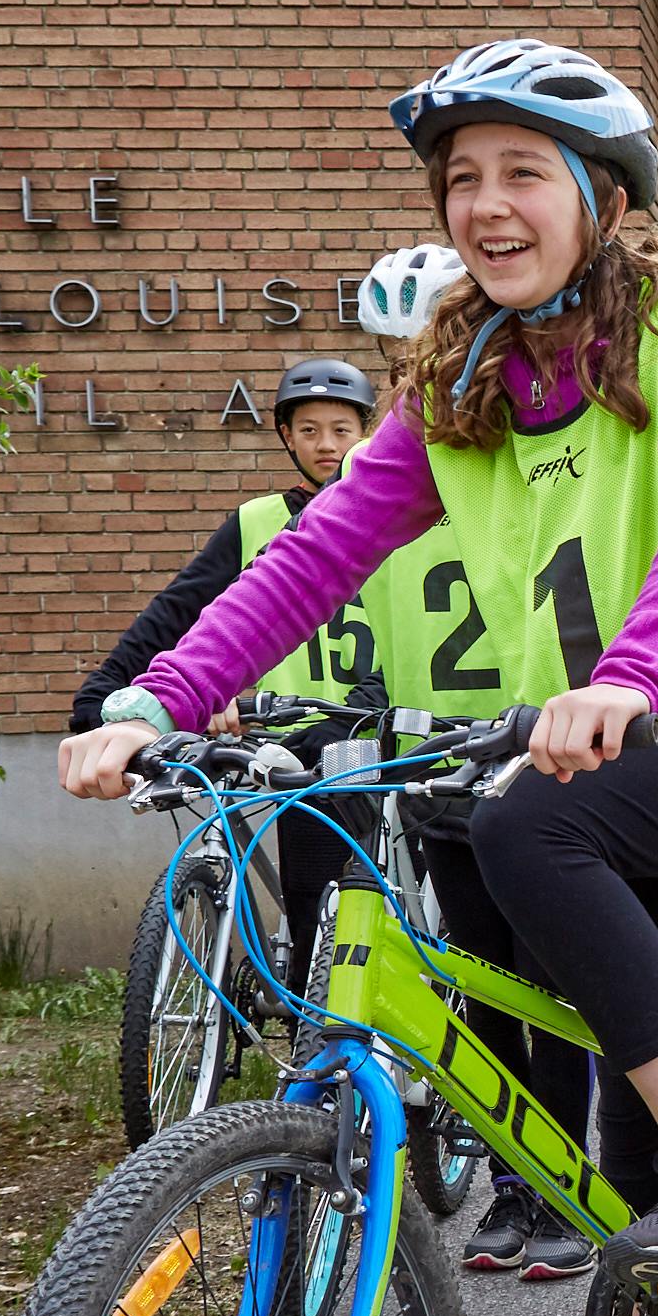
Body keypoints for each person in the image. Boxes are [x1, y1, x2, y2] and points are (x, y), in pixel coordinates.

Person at [59, 36, 658, 1316]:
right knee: (628, 1102)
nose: (487, 207)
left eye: (521, 175)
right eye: (462, 183)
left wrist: (629, 675)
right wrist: (161, 697)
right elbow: (310, 556)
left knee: (521, 825)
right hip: (612, 749)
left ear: (601, 197)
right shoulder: (466, 383)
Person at [345, 239, 607, 1283]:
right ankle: (509, 1186)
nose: (416, 369)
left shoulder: (519, 464)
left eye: (425, 347)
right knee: (482, 984)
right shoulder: (396, 468)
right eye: (393, 355)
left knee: (554, 981)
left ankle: (566, 1182)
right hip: (434, 767)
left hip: (533, 755)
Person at [69, 355, 391, 1014]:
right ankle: (314, 1026)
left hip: (371, 734)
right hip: (275, 735)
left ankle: (340, 1025)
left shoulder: (396, 510)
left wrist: (361, 712)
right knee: (306, 896)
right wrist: (104, 700)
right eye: (307, 430)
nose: (325, 445)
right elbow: (174, 614)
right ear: (285, 437)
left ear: (369, 431)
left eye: (340, 428)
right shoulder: (255, 523)